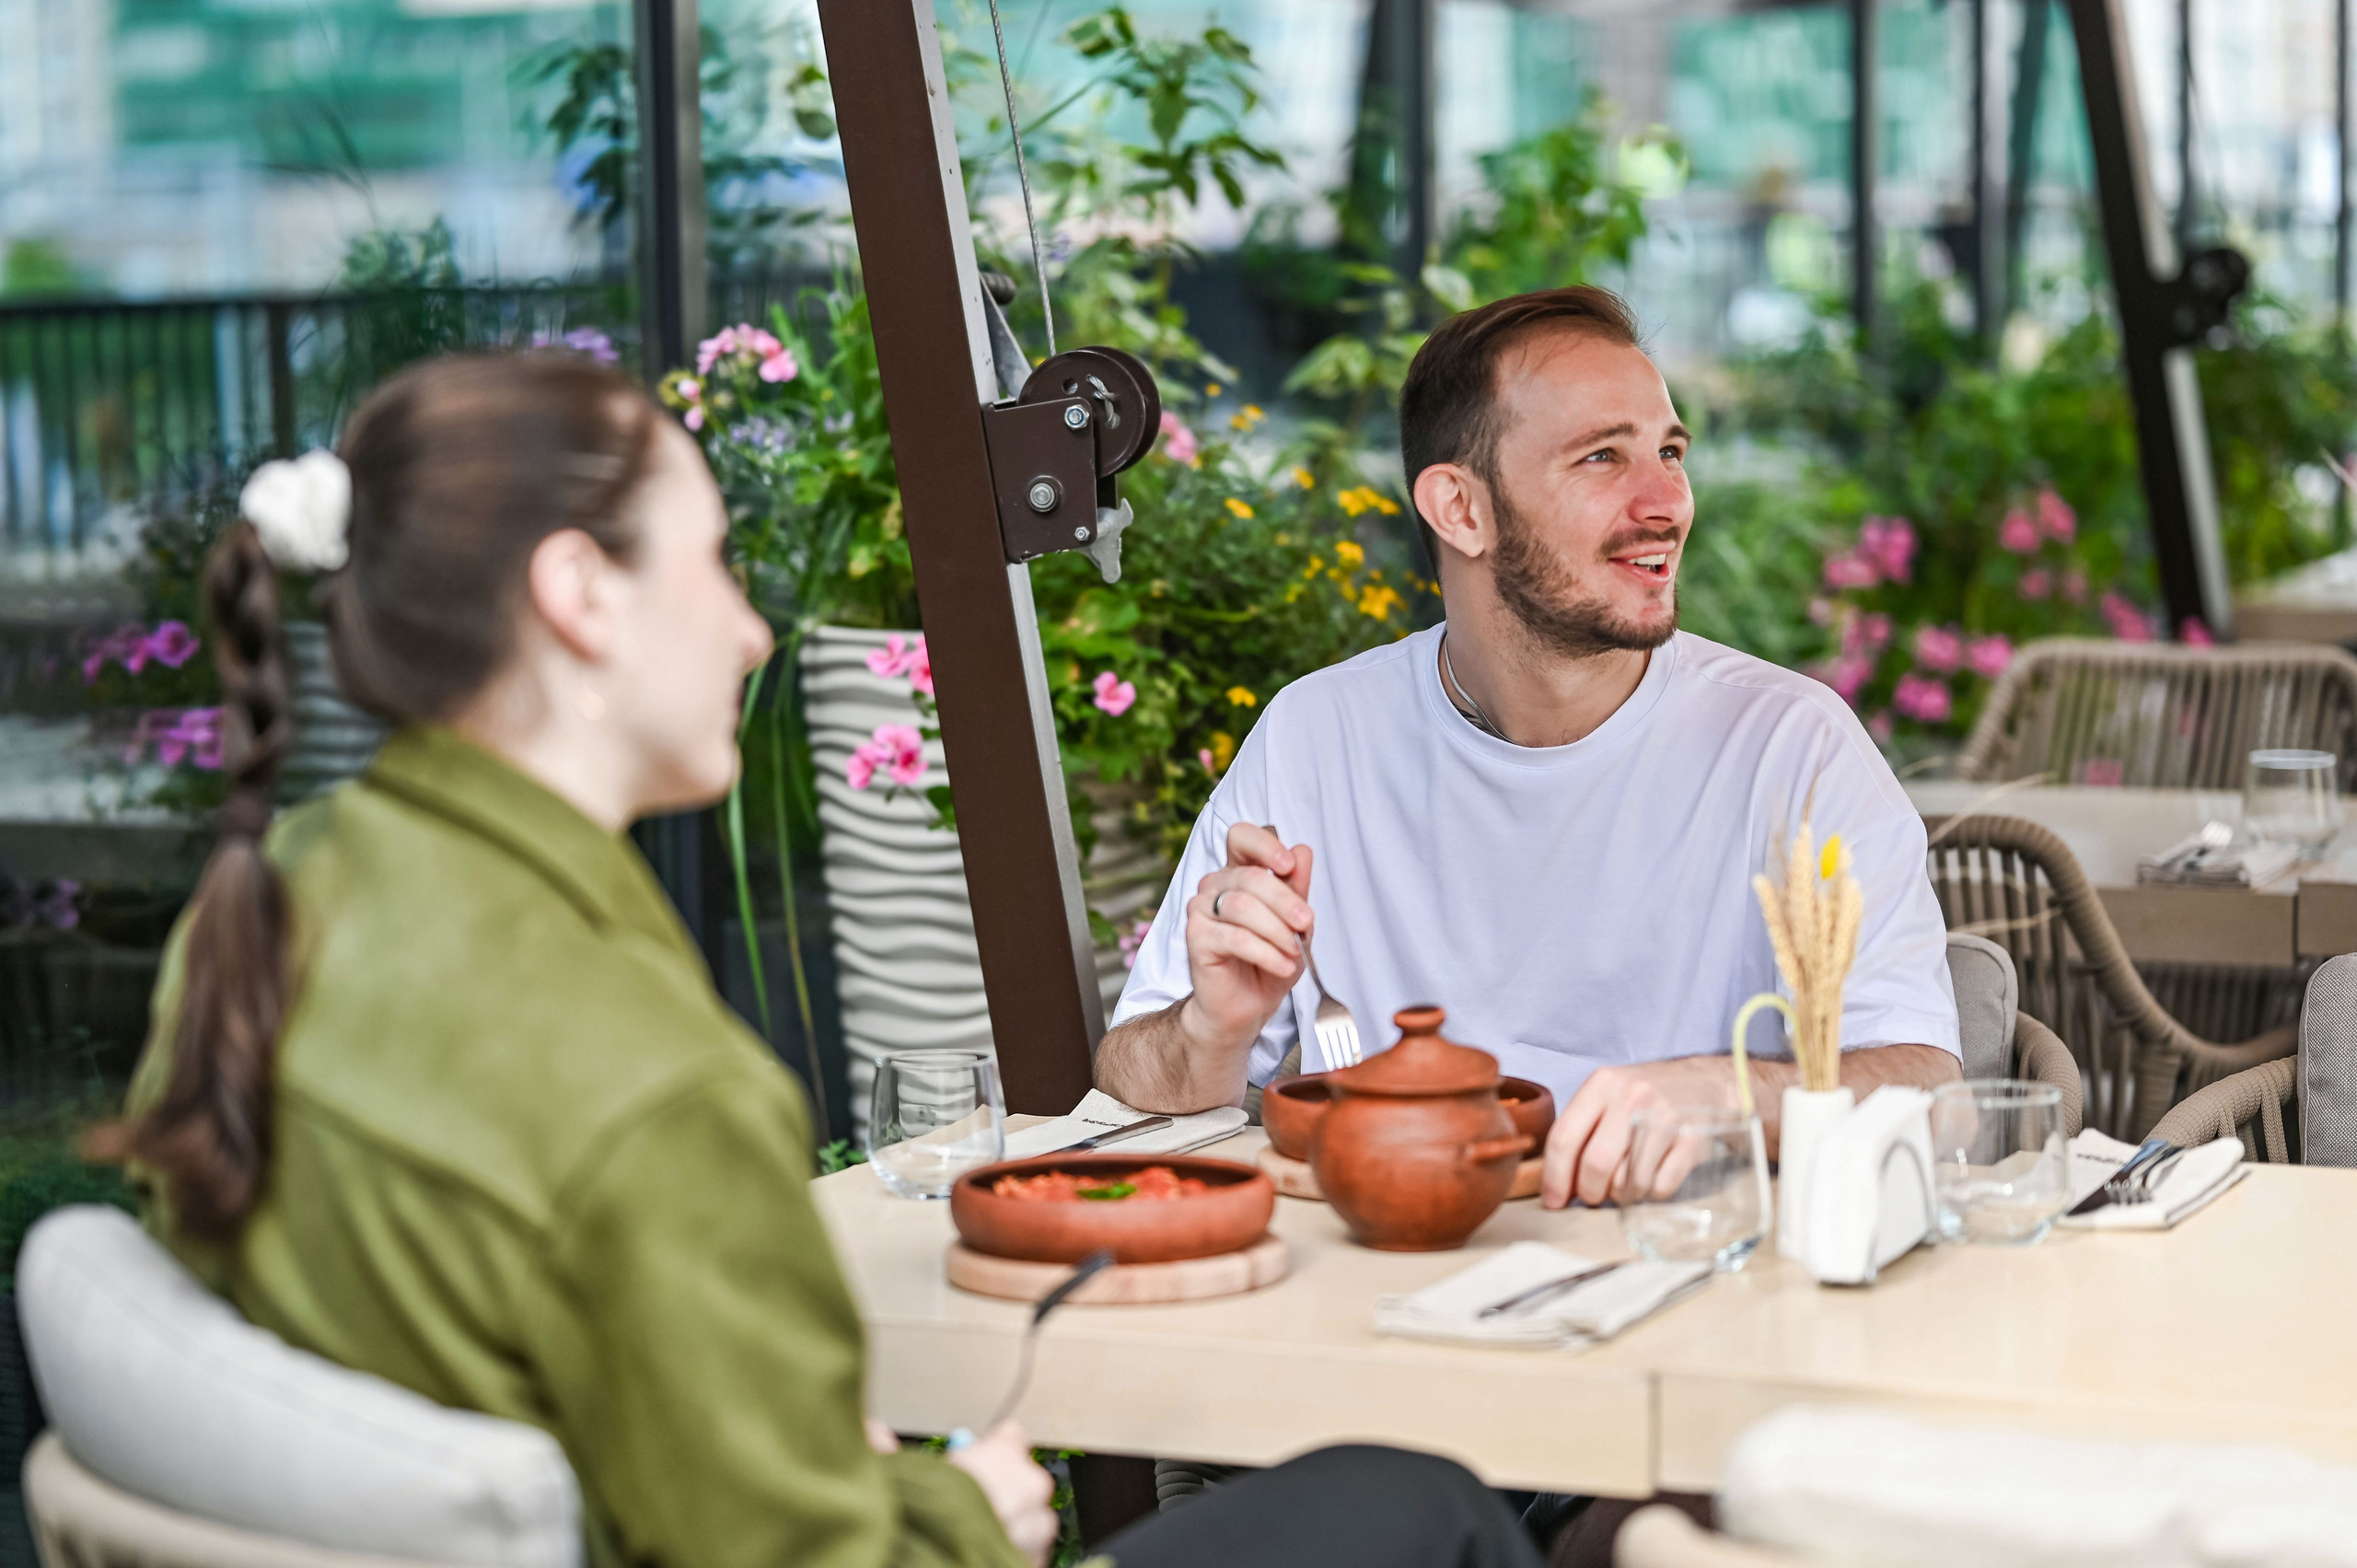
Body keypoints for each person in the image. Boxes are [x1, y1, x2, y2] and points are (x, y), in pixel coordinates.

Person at [93, 354, 1545, 1568]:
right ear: (579, 595)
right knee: (1425, 1504)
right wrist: (963, 1511)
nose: (751, 628)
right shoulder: (650, 1085)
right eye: (713, 564)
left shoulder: (274, 898)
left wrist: (786, 1432)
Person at [1098, 286, 1962, 1207]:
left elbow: (1938, 1095)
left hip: (1686, 1281)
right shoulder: (1316, 737)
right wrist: (1211, 1028)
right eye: (1602, 457)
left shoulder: (1790, 746)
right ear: (1459, 509)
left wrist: (1724, 1090)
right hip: (1382, 1278)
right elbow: (1129, 1082)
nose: (1667, 501)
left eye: (1669, 452)